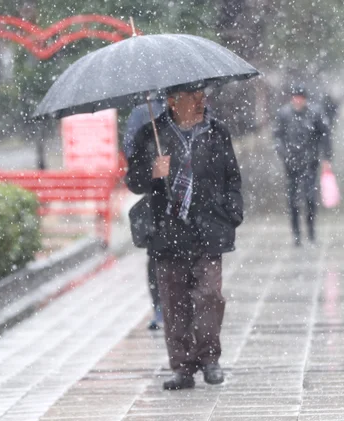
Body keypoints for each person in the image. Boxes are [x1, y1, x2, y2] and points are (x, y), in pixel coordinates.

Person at [126, 85, 243, 391]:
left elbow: (232, 177)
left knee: (209, 296)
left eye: (203, 96)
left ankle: (210, 359)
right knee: (174, 302)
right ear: (172, 102)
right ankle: (182, 367)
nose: (202, 101)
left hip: (208, 229)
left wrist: (232, 212)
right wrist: (152, 171)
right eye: (195, 97)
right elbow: (133, 181)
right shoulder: (150, 135)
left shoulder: (217, 132)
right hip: (168, 232)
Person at [123, 100, 166, 330]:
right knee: (157, 258)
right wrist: (153, 169)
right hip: (157, 205)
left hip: (189, 207)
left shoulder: (191, 109)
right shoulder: (142, 114)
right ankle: (159, 305)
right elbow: (131, 153)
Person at [274, 85, 333, 246]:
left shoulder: (315, 113)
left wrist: (326, 158)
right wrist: (284, 154)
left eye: (301, 97)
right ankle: (296, 234)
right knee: (293, 200)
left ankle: (311, 231)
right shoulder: (284, 114)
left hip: (310, 162)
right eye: (295, 97)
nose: (298, 100)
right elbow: (277, 136)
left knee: (310, 198)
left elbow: (325, 135)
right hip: (291, 163)